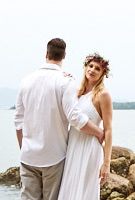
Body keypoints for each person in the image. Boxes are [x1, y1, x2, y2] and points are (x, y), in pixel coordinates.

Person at [14, 38, 105, 200]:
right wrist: (99, 132)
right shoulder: (65, 82)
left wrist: (24, 148)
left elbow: (18, 121)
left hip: (28, 155)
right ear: (64, 56)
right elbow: (75, 117)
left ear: (46, 54)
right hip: (54, 156)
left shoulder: (25, 81)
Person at [57, 52, 113, 200]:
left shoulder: (103, 95)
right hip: (72, 146)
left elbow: (108, 129)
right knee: (69, 190)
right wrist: (63, 78)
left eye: (97, 69)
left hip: (90, 149)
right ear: (85, 67)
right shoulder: (77, 93)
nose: (92, 70)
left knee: (85, 192)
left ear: (103, 74)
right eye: (90, 66)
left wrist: (106, 163)